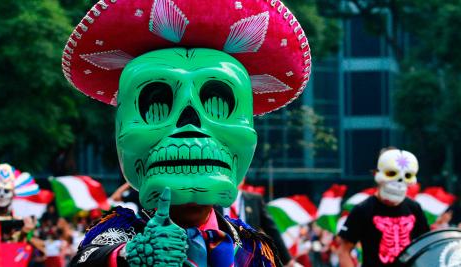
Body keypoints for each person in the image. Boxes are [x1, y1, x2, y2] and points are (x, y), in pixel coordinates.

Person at [61, 0, 313, 266]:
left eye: (218, 105)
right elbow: (91, 257)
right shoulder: (118, 234)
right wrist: (130, 255)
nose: (189, 127)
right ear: (121, 130)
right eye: (157, 105)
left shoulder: (251, 248)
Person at [337, 148, 430, 267]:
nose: (398, 181)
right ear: (377, 173)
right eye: (391, 173)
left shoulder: (414, 208)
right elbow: (343, 251)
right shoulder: (363, 209)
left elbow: (426, 246)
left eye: (406, 175)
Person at [221, 187, 293, 265]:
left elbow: (272, 231)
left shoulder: (255, 200)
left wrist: (287, 260)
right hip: (222, 256)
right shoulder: (214, 200)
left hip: (250, 258)